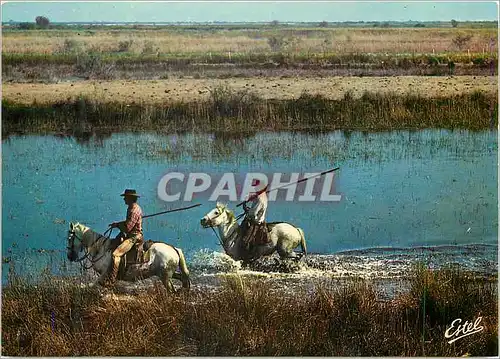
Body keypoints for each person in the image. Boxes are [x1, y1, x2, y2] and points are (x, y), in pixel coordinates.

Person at [106, 189, 144, 285]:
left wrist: (118, 225)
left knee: (115, 254)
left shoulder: (134, 210)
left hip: (134, 237)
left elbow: (127, 228)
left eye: (125, 197)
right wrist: (117, 224)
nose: (124, 199)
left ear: (130, 198)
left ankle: (112, 281)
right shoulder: (131, 207)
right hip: (131, 234)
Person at [241, 179, 270, 254]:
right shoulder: (260, 196)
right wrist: (248, 199)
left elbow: (253, 214)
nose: (255, 189)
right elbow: (252, 199)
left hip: (255, 222)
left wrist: (246, 209)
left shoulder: (260, 198)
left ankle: (246, 257)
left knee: (245, 241)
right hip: (257, 219)